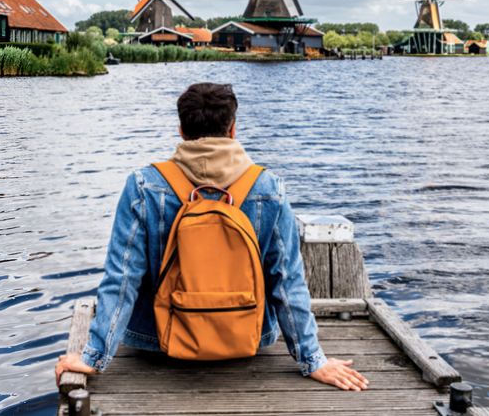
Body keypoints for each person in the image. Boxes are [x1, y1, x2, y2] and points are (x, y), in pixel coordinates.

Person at [54, 82, 368, 391]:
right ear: (232, 130)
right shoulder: (270, 190)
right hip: (247, 338)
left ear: (181, 130)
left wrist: (94, 356)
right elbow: (287, 283)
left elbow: (121, 279)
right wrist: (313, 359)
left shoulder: (142, 187)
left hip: (157, 342)